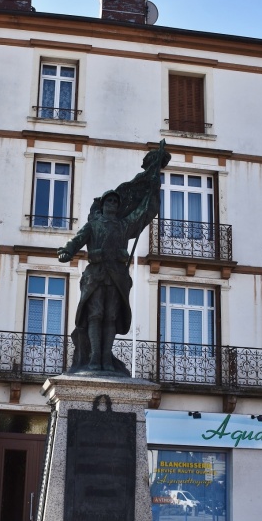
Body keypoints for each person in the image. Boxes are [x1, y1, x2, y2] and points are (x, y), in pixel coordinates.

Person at [57, 141, 170, 375]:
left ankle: (106, 359)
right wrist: (67, 251)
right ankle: (94, 359)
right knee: (95, 315)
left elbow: (144, 212)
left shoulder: (124, 225)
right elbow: (78, 239)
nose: (112, 204)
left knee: (110, 317)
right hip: (96, 275)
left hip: (117, 276)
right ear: (103, 204)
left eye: (115, 202)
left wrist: (153, 184)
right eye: (109, 201)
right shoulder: (94, 224)